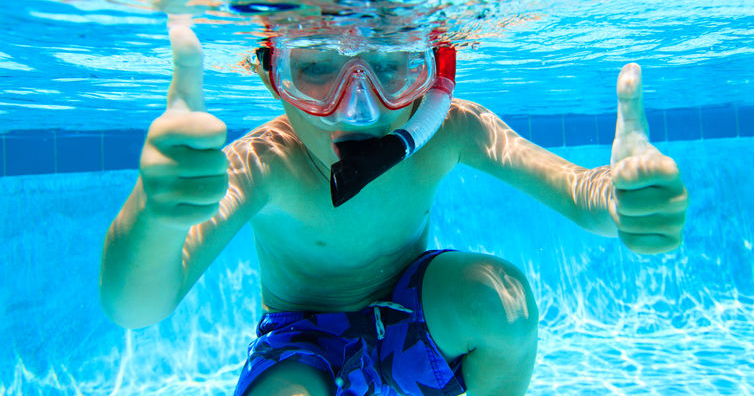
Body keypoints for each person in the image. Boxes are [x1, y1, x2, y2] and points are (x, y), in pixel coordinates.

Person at [100, 23, 688, 396]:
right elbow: (135, 306)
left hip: (409, 309)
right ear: (272, 77)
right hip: (301, 338)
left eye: (391, 66)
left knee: (500, 298)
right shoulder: (265, 163)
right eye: (317, 68)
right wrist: (155, 215)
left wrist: (621, 201)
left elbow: (578, 195)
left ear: (434, 75)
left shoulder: (451, 130)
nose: (358, 109)